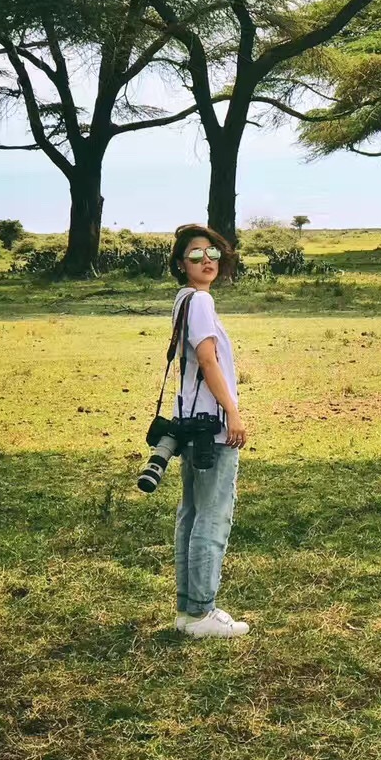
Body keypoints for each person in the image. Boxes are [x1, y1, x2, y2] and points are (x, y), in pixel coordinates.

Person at [165, 224, 250, 638]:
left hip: (190, 423)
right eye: (196, 255)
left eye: (212, 252)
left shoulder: (184, 300)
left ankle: (187, 610)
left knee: (193, 514)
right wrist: (232, 412)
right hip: (212, 425)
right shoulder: (198, 301)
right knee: (212, 517)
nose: (207, 261)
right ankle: (202, 613)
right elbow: (208, 361)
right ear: (182, 264)